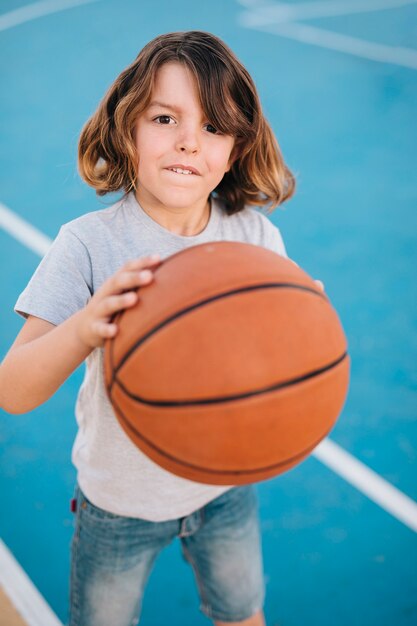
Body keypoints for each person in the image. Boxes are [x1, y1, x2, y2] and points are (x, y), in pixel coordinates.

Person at [0, 30, 316, 626]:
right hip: (119, 503)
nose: (190, 142)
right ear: (128, 129)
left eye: (215, 127)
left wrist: (303, 329)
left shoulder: (254, 239)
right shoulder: (89, 247)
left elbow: (284, 359)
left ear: (236, 149)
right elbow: (11, 391)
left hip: (225, 488)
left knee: (245, 616)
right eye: (166, 118)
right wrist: (87, 327)